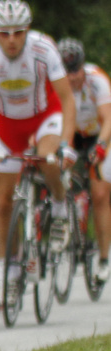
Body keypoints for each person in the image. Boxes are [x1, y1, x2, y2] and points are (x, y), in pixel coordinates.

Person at [0, 0, 78, 299]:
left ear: (27, 30)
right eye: (4, 33)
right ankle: (4, 262)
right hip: (8, 125)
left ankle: (59, 203)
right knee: (1, 202)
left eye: (18, 32)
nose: (11, 40)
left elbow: (67, 101)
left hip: (45, 116)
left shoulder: (43, 50)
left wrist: (65, 143)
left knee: (48, 158)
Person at [58, 38, 111, 285]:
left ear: (82, 67)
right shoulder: (55, 83)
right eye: (66, 72)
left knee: (100, 194)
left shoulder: (96, 79)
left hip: (98, 135)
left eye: (75, 71)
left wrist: (101, 146)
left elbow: (107, 117)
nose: (71, 78)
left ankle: (103, 258)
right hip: (71, 134)